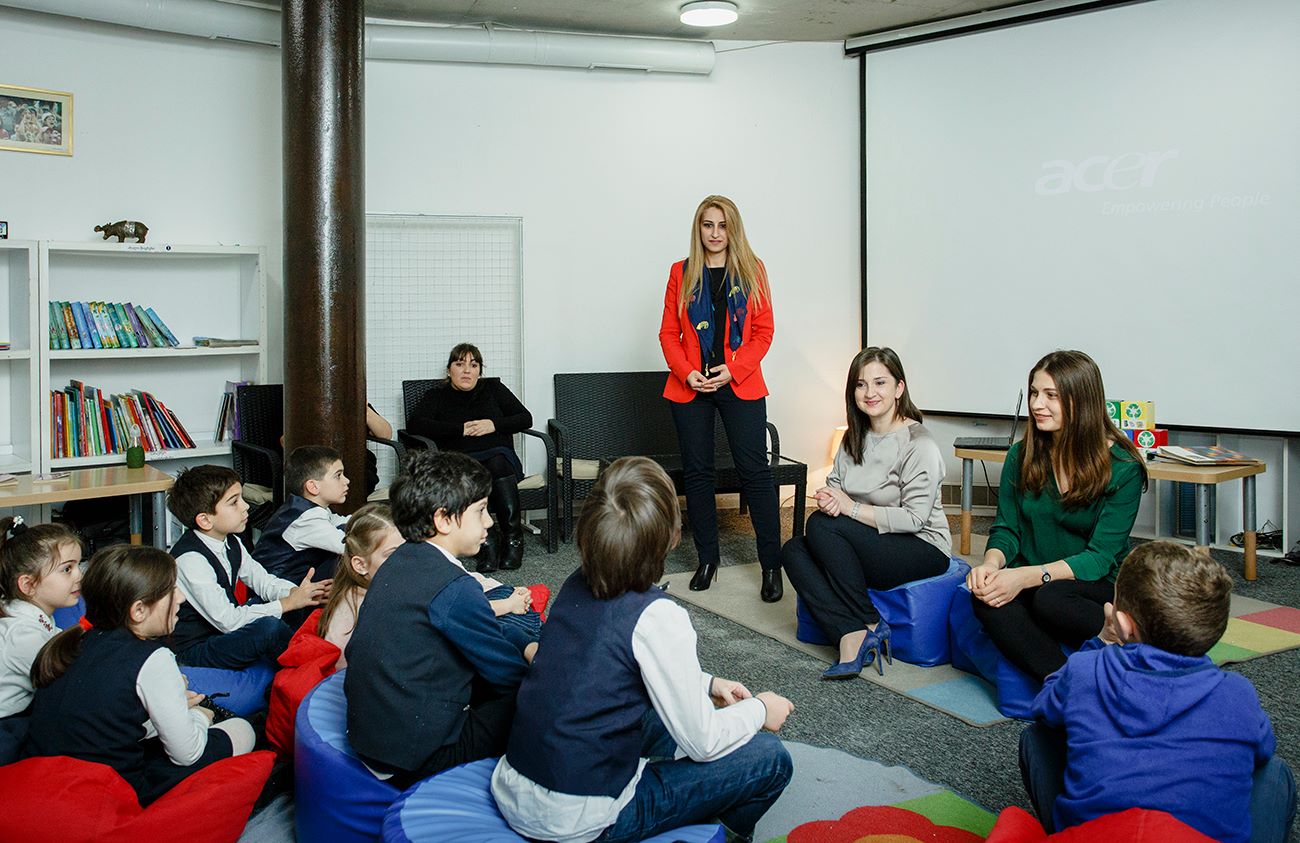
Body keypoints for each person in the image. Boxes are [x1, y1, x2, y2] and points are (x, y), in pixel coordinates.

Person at [492, 457, 793, 843]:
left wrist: (706, 684)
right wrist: (761, 709)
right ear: (671, 536)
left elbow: (599, 667)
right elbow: (703, 743)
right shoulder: (659, 616)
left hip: (516, 787)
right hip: (577, 818)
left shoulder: (576, 582)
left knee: (665, 718)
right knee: (769, 757)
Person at [1019, 541, 1296, 842]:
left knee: (1037, 737)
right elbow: (1262, 748)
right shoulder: (1237, 693)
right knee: (1274, 771)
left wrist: (1101, 641)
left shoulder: (1086, 670)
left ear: (1122, 624)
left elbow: (1043, 706)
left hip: (1100, 835)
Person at [345, 450, 536, 790]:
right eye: (480, 511)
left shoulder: (400, 560)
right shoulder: (455, 587)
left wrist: (524, 643)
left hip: (372, 738)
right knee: (539, 693)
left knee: (498, 644)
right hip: (416, 756)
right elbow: (507, 673)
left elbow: (479, 629)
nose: (489, 522)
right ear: (444, 519)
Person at [24, 545, 256, 806]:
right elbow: (186, 754)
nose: (181, 598)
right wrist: (200, 716)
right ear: (138, 611)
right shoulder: (153, 658)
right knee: (242, 729)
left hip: (48, 783)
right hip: (110, 794)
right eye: (171, 590)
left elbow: (103, 719)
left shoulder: (74, 642)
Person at [966, 350, 1147, 681]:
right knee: (986, 598)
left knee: (1051, 600)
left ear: (1083, 401)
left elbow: (1099, 558)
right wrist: (991, 565)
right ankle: (1063, 683)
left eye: (1051, 395)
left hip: (1092, 585)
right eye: (1034, 393)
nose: (1037, 404)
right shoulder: (1021, 455)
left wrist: (1024, 578)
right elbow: (1006, 529)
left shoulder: (1124, 468)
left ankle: (1118, 647)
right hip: (1034, 576)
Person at [781, 347, 951, 679]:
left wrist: (850, 507)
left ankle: (870, 620)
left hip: (922, 546)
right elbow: (835, 485)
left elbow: (915, 518)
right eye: (860, 385)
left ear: (899, 388)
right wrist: (831, 499)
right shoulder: (852, 438)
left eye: (880, 383)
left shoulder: (919, 443)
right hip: (871, 541)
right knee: (793, 549)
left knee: (820, 526)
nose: (869, 392)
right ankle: (850, 632)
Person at [658, 195, 783, 602]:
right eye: (707, 225)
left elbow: (763, 332)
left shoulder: (752, 270)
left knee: (755, 473)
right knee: (698, 474)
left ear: (733, 229)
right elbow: (668, 333)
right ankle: (707, 560)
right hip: (691, 385)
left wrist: (735, 368)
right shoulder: (681, 272)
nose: (715, 233)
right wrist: (686, 372)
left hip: (738, 381)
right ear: (699, 228)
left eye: (722, 225)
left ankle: (771, 566)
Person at [168, 465, 330, 670]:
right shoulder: (191, 560)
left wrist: (298, 593)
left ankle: (308, 651)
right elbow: (228, 621)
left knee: (291, 602)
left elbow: (264, 582)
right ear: (205, 520)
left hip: (223, 633)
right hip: (197, 648)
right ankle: (308, 665)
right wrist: (287, 603)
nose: (245, 506)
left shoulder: (231, 541)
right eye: (234, 502)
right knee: (269, 627)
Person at [406, 343, 533, 572]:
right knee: (470, 471)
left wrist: (493, 424)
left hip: (497, 457)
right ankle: (487, 540)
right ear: (449, 370)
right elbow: (415, 424)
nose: (467, 370)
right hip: (459, 460)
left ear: (479, 371)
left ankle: (513, 538)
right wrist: (460, 429)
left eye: (473, 365)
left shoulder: (493, 388)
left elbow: (525, 418)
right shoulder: (436, 395)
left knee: (497, 462)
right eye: (459, 364)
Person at [0, 518, 82, 763]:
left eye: (78, 565)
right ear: (28, 585)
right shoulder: (23, 636)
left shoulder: (28, 617)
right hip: (8, 734)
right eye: (67, 569)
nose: (79, 575)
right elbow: (74, 686)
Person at [317, 503, 404, 668]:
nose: (405, 560)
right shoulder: (365, 606)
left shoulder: (364, 591)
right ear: (360, 565)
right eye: (391, 554)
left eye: (407, 551)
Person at [254, 445, 350, 586]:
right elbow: (349, 546)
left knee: (348, 529)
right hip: (279, 591)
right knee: (354, 554)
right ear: (313, 487)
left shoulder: (311, 509)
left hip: (294, 583)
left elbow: (349, 522)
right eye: (338, 476)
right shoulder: (306, 519)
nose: (346, 481)